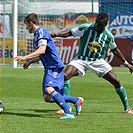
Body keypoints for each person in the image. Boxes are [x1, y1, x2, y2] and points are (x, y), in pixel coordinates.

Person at [51, 12, 133, 115]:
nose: (97, 25)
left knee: (116, 81)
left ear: (106, 24)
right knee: (65, 75)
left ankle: (127, 108)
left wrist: (126, 63)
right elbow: (69, 33)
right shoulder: (86, 28)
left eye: (100, 24)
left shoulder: (108, 36)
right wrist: (56, 35)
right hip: (81, 59)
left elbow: (115, 50)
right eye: (97, 22)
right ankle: (66, 107)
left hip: (98, 61)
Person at [14, 13, 84, 119]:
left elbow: (41, 50)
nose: (26, 27)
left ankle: (68, 113)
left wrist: (25, 57)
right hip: (49, 67)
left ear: (31, 23)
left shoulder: (41, 32)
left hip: (54, 66)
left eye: (26, 24)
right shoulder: (37, 35)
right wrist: (31, 61)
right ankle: (76, 100)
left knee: (49, 89)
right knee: (47, 97)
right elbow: (43, 53)